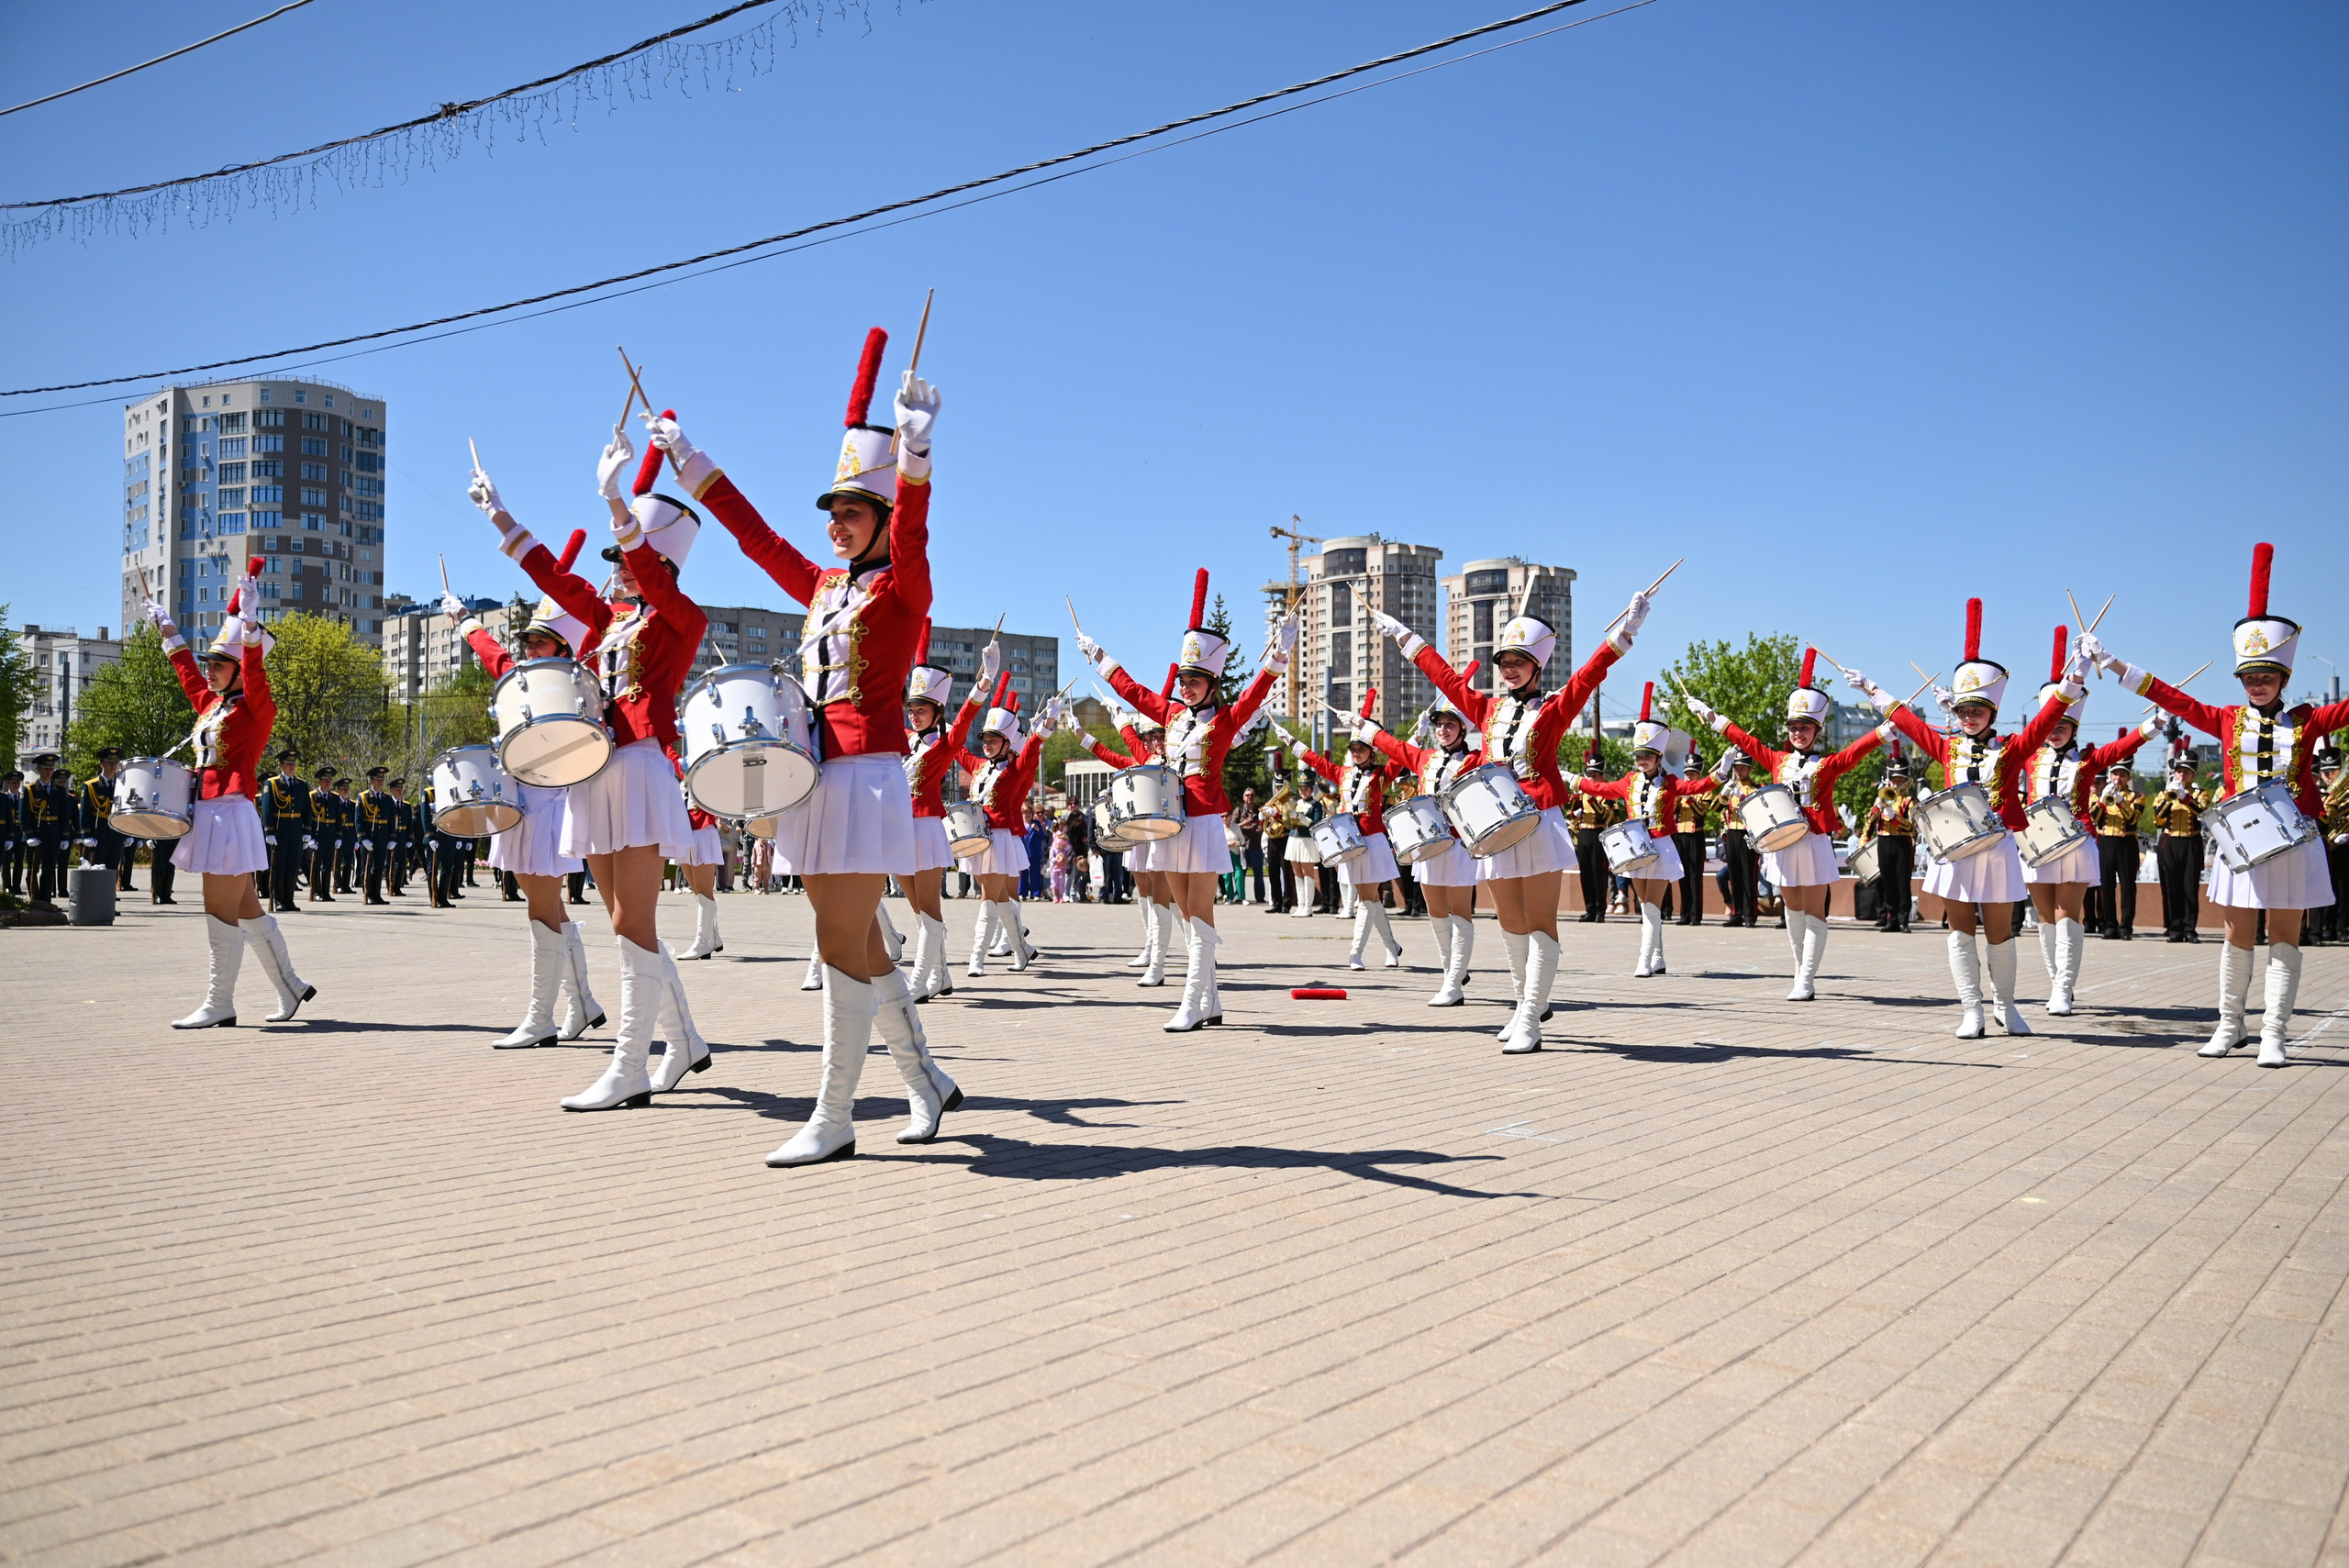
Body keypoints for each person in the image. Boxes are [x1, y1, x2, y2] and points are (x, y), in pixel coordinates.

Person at [657, 329, 962, 1162]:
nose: (835, 527)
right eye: (831, 514)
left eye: (851, 513)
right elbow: (757, 540)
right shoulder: (825, 587)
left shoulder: (903, 590)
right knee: (858, 940)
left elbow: (914, 536)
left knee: (835, 944)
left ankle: (835, 1117)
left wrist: (916, 455)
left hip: (867, 778)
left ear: (880, 519)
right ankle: (925, 1078)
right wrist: (692, 462)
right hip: (818, 779)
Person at [470, 423, 709, 1113]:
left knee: (633, 923)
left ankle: (629, 1065)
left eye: (629, 557)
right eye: (614, 558)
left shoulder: (678, 617)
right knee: (621, 922)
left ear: (659, 564)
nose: (616, 567)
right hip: (595, 773)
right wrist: (501, 515)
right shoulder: (609, 620)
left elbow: (660, 593)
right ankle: (684, 1040)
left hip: (638, 770)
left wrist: (615, 502)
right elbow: (553, 576)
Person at [2078, 543, 2349, 1065]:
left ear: (2284, 679)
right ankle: (2230, 1025)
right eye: (2250, 677)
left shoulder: (2310, 721)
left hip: (2293, 842)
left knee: (2286, 936)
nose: (2257, 684)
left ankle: (2275, 1032)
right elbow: (2172, 698)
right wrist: (2111, 662)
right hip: (2243, 841)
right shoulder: (2226, 718)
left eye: (2266, 676)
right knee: (2236, 934)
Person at [1374, 585, 1653, 1052]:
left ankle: (1530, 1018)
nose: (1509, 667)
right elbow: (1445, 678)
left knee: (1540, 921)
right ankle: (1525, 1000)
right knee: (1509, 922)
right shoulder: (1488, 709)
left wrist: (1627, 630)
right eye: (1505, 660)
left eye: (1519, 660)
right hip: (1493, 826)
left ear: (1537, 667)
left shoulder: (1554, 706)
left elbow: (1589, 675)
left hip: (1538, 819)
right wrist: (1405, 637)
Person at [1842, 602, 2086, 1037]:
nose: (1968, 718)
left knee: (2000, 934)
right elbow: (1909, 723)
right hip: (1954, 852)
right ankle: (1972, 1009)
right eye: (1962, 712)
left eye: (1977, 711)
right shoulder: (1948, 747)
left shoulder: (2012, 748)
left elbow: (2048, 717)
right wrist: (1873, 691)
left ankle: (2005, 1007)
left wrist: (2076, 679)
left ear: (1992, 712)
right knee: (1960, 932)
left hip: (1996, 851)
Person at [1080, 569, 1297, 1031]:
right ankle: (1211, 1000)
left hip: (1201, 824)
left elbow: (1258, 690)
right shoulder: (1173, 714)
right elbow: (1134, 692)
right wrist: (1099, 656)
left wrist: (1280, 655)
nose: (1186, 687)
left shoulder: (1225, 720)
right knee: (1184, 916)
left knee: (1199, 917)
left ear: (1213, 684)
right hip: (1170, 825)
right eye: (1184, 680)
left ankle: (1191, 1004)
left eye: (1195, 681)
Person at [139, 572, 317, 1028]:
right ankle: (291, 986)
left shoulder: (256, 708)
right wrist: (169, 632)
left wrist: (252, 627)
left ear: (238, 669)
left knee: (218, 911)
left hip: (228, 812)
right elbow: (186, 676)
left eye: (218, 664)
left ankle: (220, 1003)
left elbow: (257, 675)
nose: (209, 670)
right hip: (210, 813)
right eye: (209, 663)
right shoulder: (212, 706)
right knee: (246, 909)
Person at [443, 564, 609, 1051]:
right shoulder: (522, 679)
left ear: (563, 647)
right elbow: (493, 657)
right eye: (528, 642)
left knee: (541, 911)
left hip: (549, 803)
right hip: (519, 801)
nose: (528, 649)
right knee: (548, 909)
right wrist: (464, 621)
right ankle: (581, 1004)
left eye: (539, 642)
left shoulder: (576, 682)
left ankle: (542, 1018)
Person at [1687, 648, 1897, 1006]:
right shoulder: (1777, 759)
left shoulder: (1828, 764)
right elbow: (1744, 740)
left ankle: (1807, 979)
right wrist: (1711, 716)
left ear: (1816, 730)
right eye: (1794, 727)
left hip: (1813, 841)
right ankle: (1801, 970)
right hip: (1783, 841)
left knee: (1814, 912)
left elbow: (1860, 747)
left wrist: (1891, 724)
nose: (1798, 732)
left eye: (1805, 727)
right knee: (1791, 910)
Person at [2011, 627, 2160, 1011]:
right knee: (2044, 916)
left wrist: (2152, 726)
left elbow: (2121, 747)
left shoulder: (2089, 758)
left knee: (2067, 913)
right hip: (2036, 841)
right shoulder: (2029, 755)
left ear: (2075, 726)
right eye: (2051, 726)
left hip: (2076, 841)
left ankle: (2064, 988)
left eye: (2063, 726)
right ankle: (2056, 981)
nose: (2056, 732)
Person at [1568, 687, 1716, 979]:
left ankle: (1643, 960)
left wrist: (1720, 774)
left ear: (1658, 756)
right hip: (1635, 847)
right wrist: (1574, 779)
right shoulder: (1627, 781)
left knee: (1650, 907)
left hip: (1661, 848)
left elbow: (1697, 787)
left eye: (1647, 755)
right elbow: (1601, 789)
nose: (1641, 760)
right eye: (1638, 755)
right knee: (1647, 909)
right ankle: (1658, 957)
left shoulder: (1671, 783)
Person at [1365, 692, 1483, 1005]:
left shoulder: (1476, 759)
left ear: (1463, 729)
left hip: (1459, 844)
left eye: (1449, 724)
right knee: (1435, 913)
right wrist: (1367, 729)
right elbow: (1396, 747)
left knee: (1460, 913)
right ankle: (1451, 973)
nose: (1443, 729)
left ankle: (1455, 983)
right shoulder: (1426, 757)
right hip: (1428, 845)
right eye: (1440, 724)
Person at [902, 621, 996, 1000]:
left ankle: (920, 979)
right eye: (911, 707)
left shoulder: (943, 744)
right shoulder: (904, 742)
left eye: (922, 709)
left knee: (929, 910)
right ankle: (941, 977)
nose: (914, 714)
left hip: (926, 827)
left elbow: (964, 723)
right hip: (899, 828)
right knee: (918, 912)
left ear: (936, 711)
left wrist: (983, 685)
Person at [1292, 695, 1408, 971]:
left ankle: (1355, 953)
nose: (1356, 752)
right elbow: (1318, 763)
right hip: (1348, 842)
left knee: (1365, 898)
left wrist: (1420, 731)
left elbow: (1402, 755)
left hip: (1372, 840)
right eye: (1353, 748)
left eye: (1361, 748)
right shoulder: (1343, 773)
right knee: (1372, 898)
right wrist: (1291, 743)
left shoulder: (1381, 774)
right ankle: (1392, 948)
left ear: (1372, 750)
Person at [952, 680, 1057, 974]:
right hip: (978, 840)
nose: (986, 744)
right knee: (999, 900)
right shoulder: (978, 766)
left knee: (988, 898)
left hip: (1000, 840)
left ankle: (977, 958)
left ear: (1007, 743)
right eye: (984, 739)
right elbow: (956, 747)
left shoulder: (1015, 770)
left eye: (993, 740)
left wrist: (1046, 726)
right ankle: (1021, 951)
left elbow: (1032, 750)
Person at [2149, 758, 2208, 942]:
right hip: (2170, 841)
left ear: (2194, 775)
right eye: (2179, 771)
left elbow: (2203, 813)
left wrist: (2186, 798)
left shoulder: (2201, 793)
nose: (2182, 775)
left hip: (2191, 841)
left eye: (2187, 772)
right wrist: (2170, 797)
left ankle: (2190, 929)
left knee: (2190, 887)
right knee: (2172, 886)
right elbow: (2158, 817)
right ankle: (2174, 928)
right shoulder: (2163, 793)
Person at [2088, 760, 2146, 940]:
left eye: (2122, 775)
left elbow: (2133, 819)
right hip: (2106, 842)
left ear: (2128, 777)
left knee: (2128, 886)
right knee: (2106, 886)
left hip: (2126, 841)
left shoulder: (2137, 796)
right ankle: (2109, 925)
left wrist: (2120, 801)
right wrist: (2101, 801)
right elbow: (2095, 818)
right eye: (2115, 774)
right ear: (2110, 776)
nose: (2117, 778)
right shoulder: (2099, 796)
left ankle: (2126, 926)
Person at [256, 747, 311, 913]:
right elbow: (267, 808)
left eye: (293, 763)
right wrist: (269, 831)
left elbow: (307, 809)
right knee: (279, 866)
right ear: (281, 765)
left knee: (292, 866)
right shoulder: (272, 784)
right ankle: (279, 900)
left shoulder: (302, 785)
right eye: (288, 763)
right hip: (280, 830)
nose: (292, 766)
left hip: (296, 830)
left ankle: (289, 900)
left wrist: (307, 831)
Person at [1868, 758, 1917, 932]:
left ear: (1906, 781)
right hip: (1884, 841)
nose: (1896, 783)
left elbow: (1913, 827)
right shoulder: (1880, 797)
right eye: (1894, 779)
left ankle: (1904, 919)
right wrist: (1878, 808)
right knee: (1887, 881)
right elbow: (1868, 820)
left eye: (1900, 780)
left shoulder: (1909, 801)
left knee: (1902, 882)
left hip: (1901, 841)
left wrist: (1896, 818)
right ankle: (1891, 918)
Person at [1715, 751, 1762, 928]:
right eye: (1737, 768)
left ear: (1749, 769)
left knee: (1748, 875)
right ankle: (1736, 913)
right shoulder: (1730, 786)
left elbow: (1757, 810)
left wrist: (1741, 797)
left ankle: (1750, 914)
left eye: (1743, 768)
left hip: (1747, 833)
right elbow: (1715, 807)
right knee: (1734, 876)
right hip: (1732, 833)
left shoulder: (1756, 788)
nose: (1739, 771)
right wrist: (1724, 794)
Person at [1569, 753, 1617, 923]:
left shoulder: (1607, 792)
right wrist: (1574, 802)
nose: (1591, 778)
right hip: (1583, 833)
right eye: (1589, 775)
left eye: (1594, 775)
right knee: (1586, 874)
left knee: (1599, 874)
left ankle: (1600, 910)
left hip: (1598, 834)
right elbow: (1572, 813)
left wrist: (1594, 802)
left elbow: (1607, 816)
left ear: (1601, 776)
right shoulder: (1583, 792)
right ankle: (1589, 909)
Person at [22, 752, 72, 906]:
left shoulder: (59, 790)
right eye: (46, 768)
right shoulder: (30, 790)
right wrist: (29, 834)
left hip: (54, 835)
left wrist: (64, 836)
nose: (50, 771)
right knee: (33, 869)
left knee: (49, 869)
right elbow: (24, 815)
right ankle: (35, 900)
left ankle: (46, 902)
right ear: (38, 769)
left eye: (51, 768)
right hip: (37, 834)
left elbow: (64, 815)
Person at [77, 749, 128, 887]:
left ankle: (108, 902)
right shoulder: (90, 785)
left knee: (113, 870)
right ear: (101, 764)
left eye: (116, 762)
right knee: (98, 869)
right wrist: (86, 834)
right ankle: (96, 903)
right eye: (109, 762)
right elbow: (84, 812)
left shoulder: (123, 785)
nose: (113, 765)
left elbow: (127, 810)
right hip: (98, 832)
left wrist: (129, 833)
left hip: (116, 832)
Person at [1673, 749, 1711, 927]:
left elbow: (1703, 812)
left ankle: (1696, 915)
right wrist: (1675, 800)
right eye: (1687, 773)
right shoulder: (1679, 790)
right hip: (1680, 835)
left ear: (1699, 774)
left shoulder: (1705, 790)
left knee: (1695, 876)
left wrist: (1690, 800)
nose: (1689, 777)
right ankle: (1684, 914)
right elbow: (1671, 813)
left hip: (1696, 835)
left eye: (1693, 774)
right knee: (1683, 876)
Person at [2314, 748, 2347, 945]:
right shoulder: (2318, 793)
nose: (2328, 776)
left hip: (2343, 846)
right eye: (2325, 772)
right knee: (2325, 887)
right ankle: (2327, 926)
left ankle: (2342, 927)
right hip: (2325, 845)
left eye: (2333, 771)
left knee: (2342, 888)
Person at [357, 767, 396, 905]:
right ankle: (368, 894)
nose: (381, 782)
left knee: (379, 866)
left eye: (382, 779)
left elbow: (392, 820)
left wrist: (392, 838)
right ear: (372, 780)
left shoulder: (387, 799)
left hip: (382, 837)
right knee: (366, 867)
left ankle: (377, 895)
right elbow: (359, 820)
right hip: (369, 837)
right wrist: (362, 838)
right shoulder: (364, 797)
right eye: (378, 779)